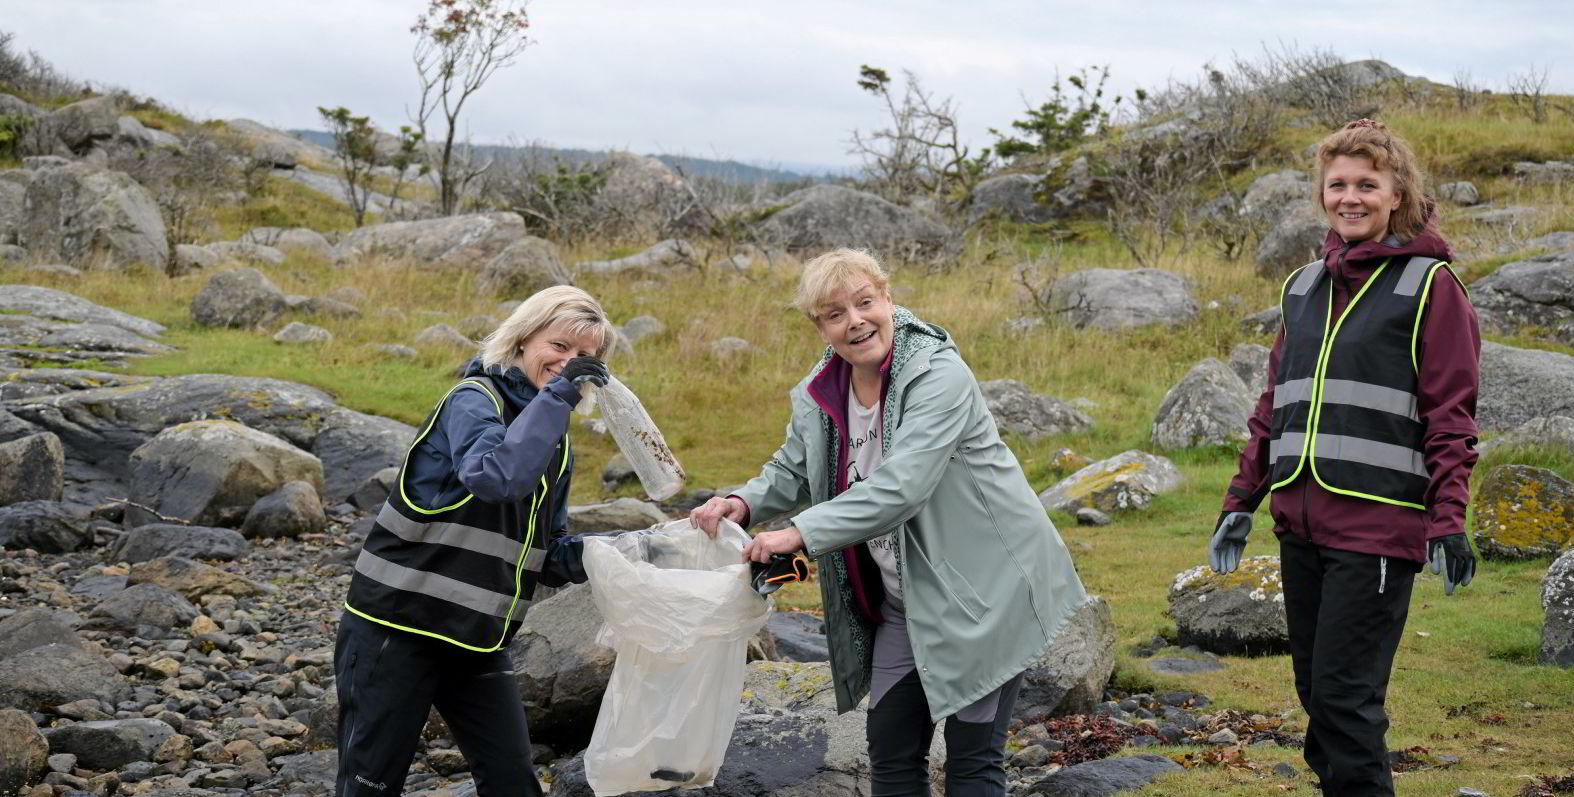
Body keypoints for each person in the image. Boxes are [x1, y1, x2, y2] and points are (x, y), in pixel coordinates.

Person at [691, 248, 1090, 797]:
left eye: (864, 302)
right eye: (836, 313)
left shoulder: (936, 373)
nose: (855, 321)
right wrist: (741, 502)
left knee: (973, 764)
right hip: (905, 603)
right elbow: (792, 467)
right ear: (820, 326)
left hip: (985, 594)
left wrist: (801, 532)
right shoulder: (822, 389)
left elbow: (903, 486)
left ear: (887, 298)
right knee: (892, 751)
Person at [1210, 119, 1480, 797]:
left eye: (1367, 184)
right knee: (1316, 694)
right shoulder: (1302, 288)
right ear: (1321, 195)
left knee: (1345, 698)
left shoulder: (1431, 288)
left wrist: (1448, 517)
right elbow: (1274, 406)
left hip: (1379, 531)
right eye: (1338, 184)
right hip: (1300, 525)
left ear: (1397, 195)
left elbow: (1452, 416)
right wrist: (1240, 500)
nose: (1350, 197)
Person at [336, 286, 617, 797]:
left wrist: (630, 549)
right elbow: (495, 477)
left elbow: (548, 556)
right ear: (523, 339)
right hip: (396, 630)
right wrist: (557, 400)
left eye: (585, 358)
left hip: (476, 640)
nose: (569, 364)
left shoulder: (554, 439)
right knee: (371, 786)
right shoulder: (473, 400)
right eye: (559, 346)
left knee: (514, 785)